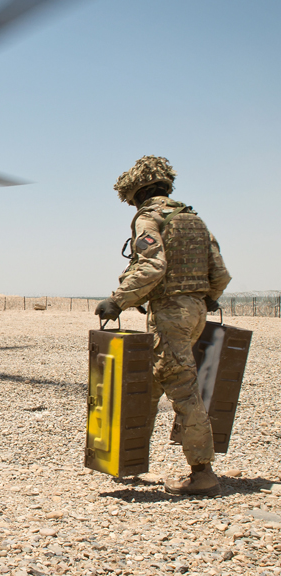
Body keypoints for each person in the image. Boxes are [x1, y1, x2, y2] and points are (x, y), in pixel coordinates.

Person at [95, 156, 231, 496]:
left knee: (181, 387)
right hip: (196, 310)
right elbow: (221, 272)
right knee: (151, 384)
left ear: (137, 195)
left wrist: (118, 300)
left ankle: (202, 473)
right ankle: (127, 459)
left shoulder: (149, 218)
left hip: (170, 313)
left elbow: (153, 267)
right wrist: (206, 298)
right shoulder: (192, 218)